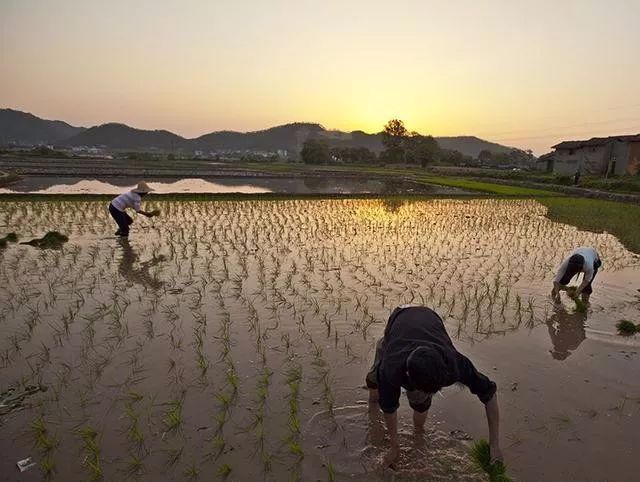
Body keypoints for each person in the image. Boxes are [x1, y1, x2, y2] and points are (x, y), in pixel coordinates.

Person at [366, 305, 502, 468]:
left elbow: (490, 394)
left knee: (420, 404)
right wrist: (394, 446)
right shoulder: (391, 367)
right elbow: (389, 408)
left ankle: (419, 433)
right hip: (399, 321)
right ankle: (371, 409)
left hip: (428, 318)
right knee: (374, 382)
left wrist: (494, 445)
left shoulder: (455, 363)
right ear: (407, 375)